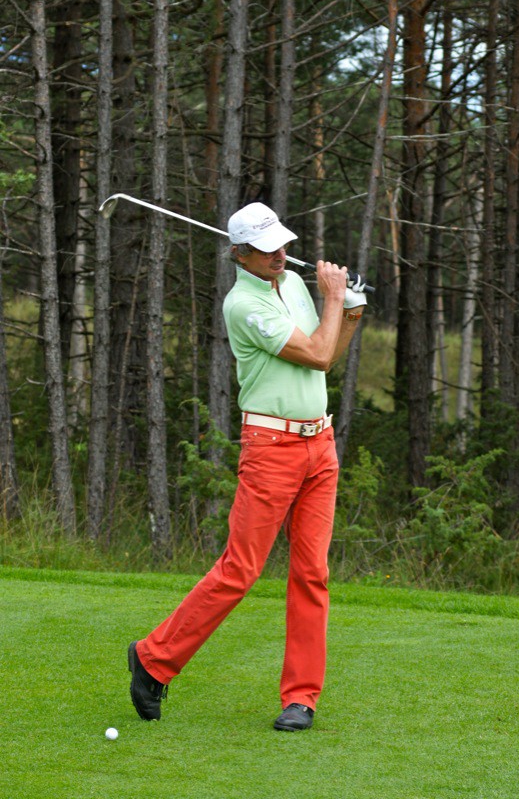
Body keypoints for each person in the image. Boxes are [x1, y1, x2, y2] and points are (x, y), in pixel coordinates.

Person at [128, 202, 367, 731]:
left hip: (320, 444)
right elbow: (316, 355)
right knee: (240, 569)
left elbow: (330, 355)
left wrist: (350, 311)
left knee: (313, 573)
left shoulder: (295, 285)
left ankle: (301, 698)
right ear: (239, 254)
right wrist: (334, 298)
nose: (279, 254)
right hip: (271, 448)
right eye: (265, 249)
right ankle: (153, 658)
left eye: (281, 243)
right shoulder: (242, 305)